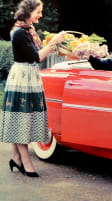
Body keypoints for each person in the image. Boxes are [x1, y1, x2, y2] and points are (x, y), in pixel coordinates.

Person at [0, 0, 65, 177]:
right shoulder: (20, 33)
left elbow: (40, 51)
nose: (41, 15)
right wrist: (53, 43)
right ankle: (25, 160)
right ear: (28, 12)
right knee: (22, 117)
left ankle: (16, 157)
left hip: (28, 75)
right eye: (38, 11)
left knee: (20, 116)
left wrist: (57, 45)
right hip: (23, 76)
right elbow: (37, 57)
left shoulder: (28, 30)